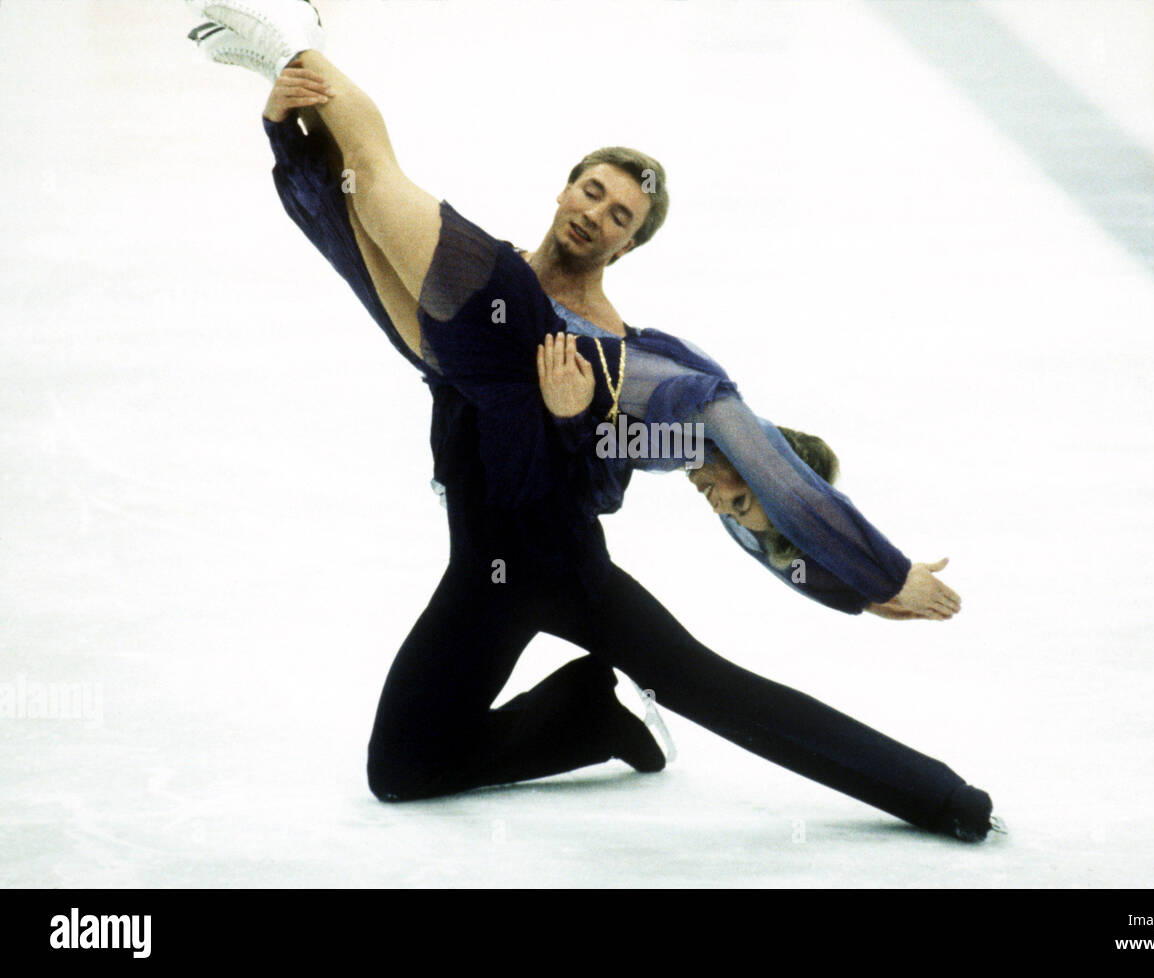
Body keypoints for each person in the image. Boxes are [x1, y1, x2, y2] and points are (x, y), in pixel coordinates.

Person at [186, 0, 999, 841]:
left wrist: (872, 578)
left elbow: (697, 457)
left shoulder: (630, 362)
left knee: (712, 693)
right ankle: (589, 717)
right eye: (594, 191)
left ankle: (944, 798)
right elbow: (345, 234)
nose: (596, 214)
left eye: (620, 216)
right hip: (484, 545)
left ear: (628, 247)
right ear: (567, 184)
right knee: (402, 767)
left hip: (558, 566)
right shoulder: (488, 292)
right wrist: (288, 132)